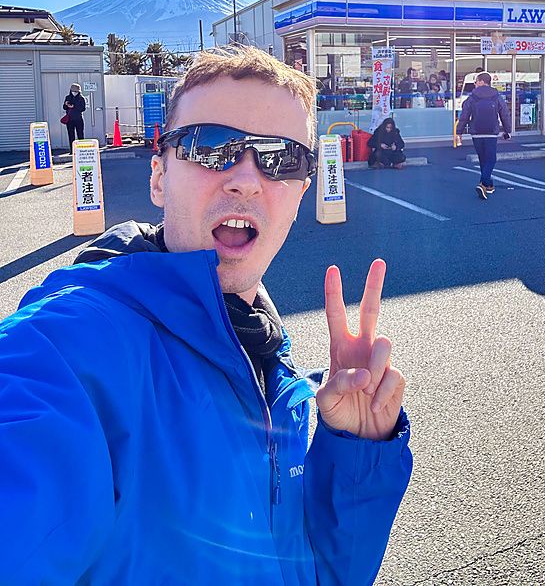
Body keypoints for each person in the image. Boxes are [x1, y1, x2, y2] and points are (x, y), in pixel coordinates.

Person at [0, 47, 412, 584]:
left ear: (301, 193)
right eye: (210, 146)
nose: (246, 179)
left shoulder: (275, 376)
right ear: (158, 176)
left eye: (281, 158)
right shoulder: (67, 350)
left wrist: (355, 454)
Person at [456, 71, 511, 200]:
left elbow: (464, 116)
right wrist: (507, 130)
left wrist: (459, 132)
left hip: (476, 132)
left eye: (476, 82)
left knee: (483, 159)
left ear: (481, 82)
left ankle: (489, 185)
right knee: (491, 159)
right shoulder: (496, 96)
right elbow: (505, 114)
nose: (475, 84)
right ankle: (483, 183)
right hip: (491, 132)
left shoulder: (472, 97)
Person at [63, 82, 86, 150]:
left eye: (76, 91)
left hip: (78, 118)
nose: (74, 92)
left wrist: (74, 107)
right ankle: (72, 150)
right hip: (70, 119)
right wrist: (66, 105)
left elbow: (83, 108)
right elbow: (64, 108)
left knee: (80, 135)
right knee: (71, 135)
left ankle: (81, 149)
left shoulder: (81, 98)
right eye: (73, 91)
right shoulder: (68, 97)